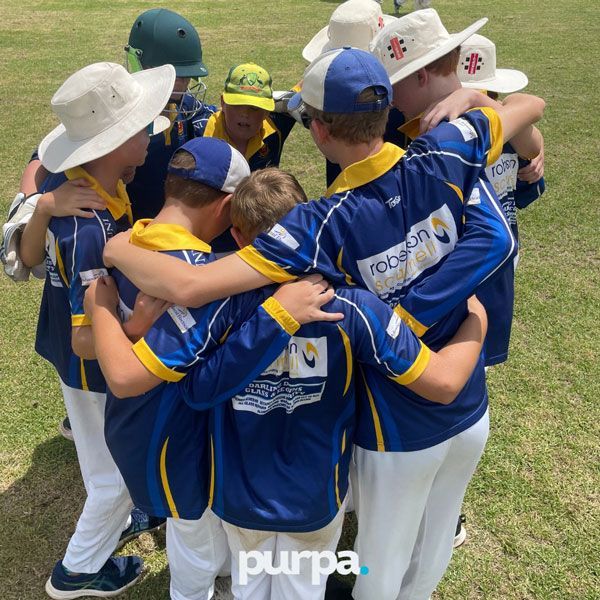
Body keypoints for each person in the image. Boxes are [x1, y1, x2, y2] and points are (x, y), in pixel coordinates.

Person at [102, 44, 544, 600]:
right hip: (457, 405)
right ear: (385, 113)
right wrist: (473, 98)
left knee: (368, 566)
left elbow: (189, 288)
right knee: (427, 543)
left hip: (393, 426)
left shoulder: (316, 229)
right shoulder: (446, 149)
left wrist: (117, 251)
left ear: (319, 130)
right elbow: (531, 104)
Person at [174, 167, 488, 600]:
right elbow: (434, 376)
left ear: (240, 239)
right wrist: (475, 321)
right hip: (315, 496)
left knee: (249, 586)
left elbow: (197, 390)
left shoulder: (220, 306)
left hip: (242, 492)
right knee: (303, 589)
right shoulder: (355, 306)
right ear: (310, 225)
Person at [82, 137, 343, 600]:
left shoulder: (126, 240)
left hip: (133, 429)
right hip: (171, 437)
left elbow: (82, 342)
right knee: (194, 539)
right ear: (226, 208)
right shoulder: (216, 274)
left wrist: (114, 310)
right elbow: (133, 368)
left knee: (205, 535)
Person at [371, 11, 546, 550]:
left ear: (422, 75)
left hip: (450, 294)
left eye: (392, 80)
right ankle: (434, 512)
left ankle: (436, 515)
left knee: (447, 395)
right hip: (451, 290)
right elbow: (531, 123)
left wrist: (479, 100)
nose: (387, 94)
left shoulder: (453, 132)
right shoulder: (417, 127)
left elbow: (532, 143)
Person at [22, 61, 176, 599]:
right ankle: (77, 572)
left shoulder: (95, 187)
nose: (151, 133)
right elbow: (88, 336)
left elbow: (30, 251)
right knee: (112, 479)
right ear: (115, 144)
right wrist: (139, 323)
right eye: (141, 127)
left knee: (106, 465)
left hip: (80, 358)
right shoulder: (88, 222)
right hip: (91, 364)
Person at [458, 33, 546, 367]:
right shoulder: (512, 130)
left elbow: (531, 138)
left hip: (486, 256)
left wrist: (478, 102)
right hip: (479, 254)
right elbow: (531, 136)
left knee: (472, 349)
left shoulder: (511, 131)